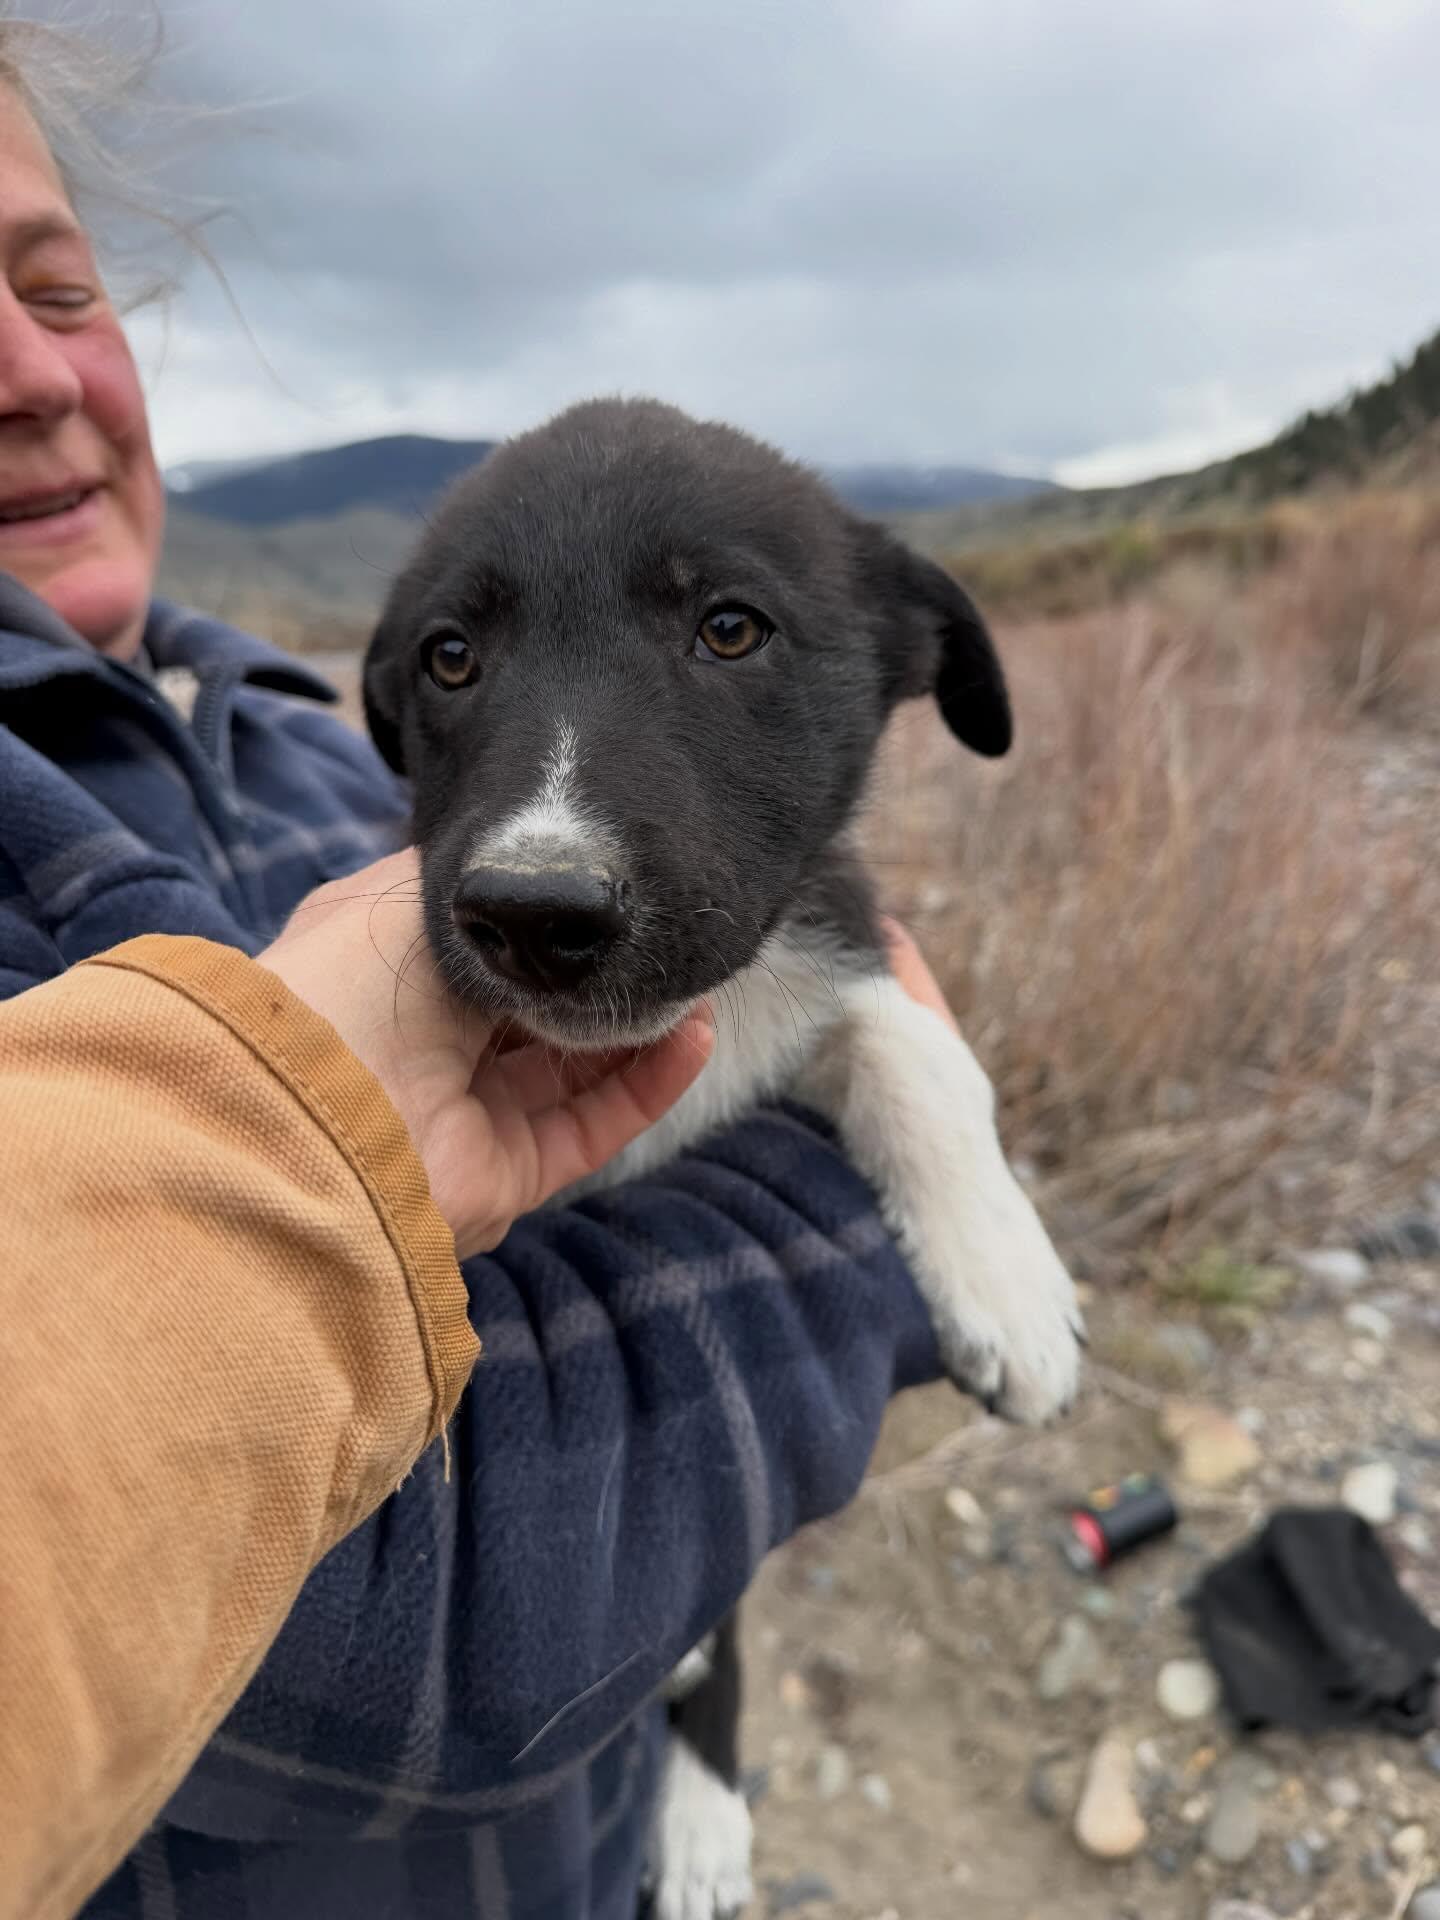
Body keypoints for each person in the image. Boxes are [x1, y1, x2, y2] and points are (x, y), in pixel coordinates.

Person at [0, 24, 947, 1920]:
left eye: (56, 281)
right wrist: (880, 1193)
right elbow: (425, 1608)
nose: (31, 371)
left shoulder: (286, 715)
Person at [0, 851, 717, 1920]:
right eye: (454, 663)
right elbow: (461, 1645)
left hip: (601, 1842)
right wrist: (823, 1202)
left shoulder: (310, 734)